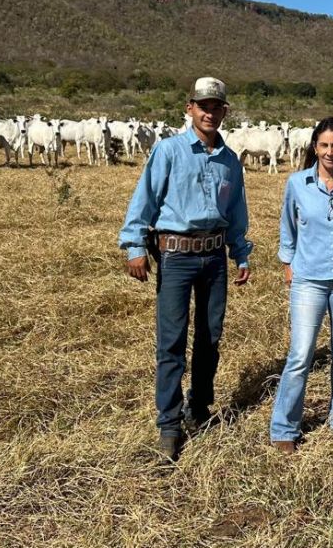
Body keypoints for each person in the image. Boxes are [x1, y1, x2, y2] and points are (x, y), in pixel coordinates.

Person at [119, 76, 253, 461]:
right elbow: (144, 199)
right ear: (189, 108)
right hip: (176, 256)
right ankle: (169, 423)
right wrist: (134, 245)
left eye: (217, 107)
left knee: (210, 337)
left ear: (224, 112)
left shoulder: (230, 161)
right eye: (203, 106)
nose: (210, 113)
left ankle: (200, 407)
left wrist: (240, 252)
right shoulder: (169, 151)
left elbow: (235, 213)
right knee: (172, 341)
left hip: (214, 257)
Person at [269, 117, 333, 453]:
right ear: (315, 147)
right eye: (324, 145)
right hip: (308, 278)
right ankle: (284, 428)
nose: (330, 152)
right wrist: (288, 263)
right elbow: (288, 226)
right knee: (300, 354)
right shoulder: (297, 183)